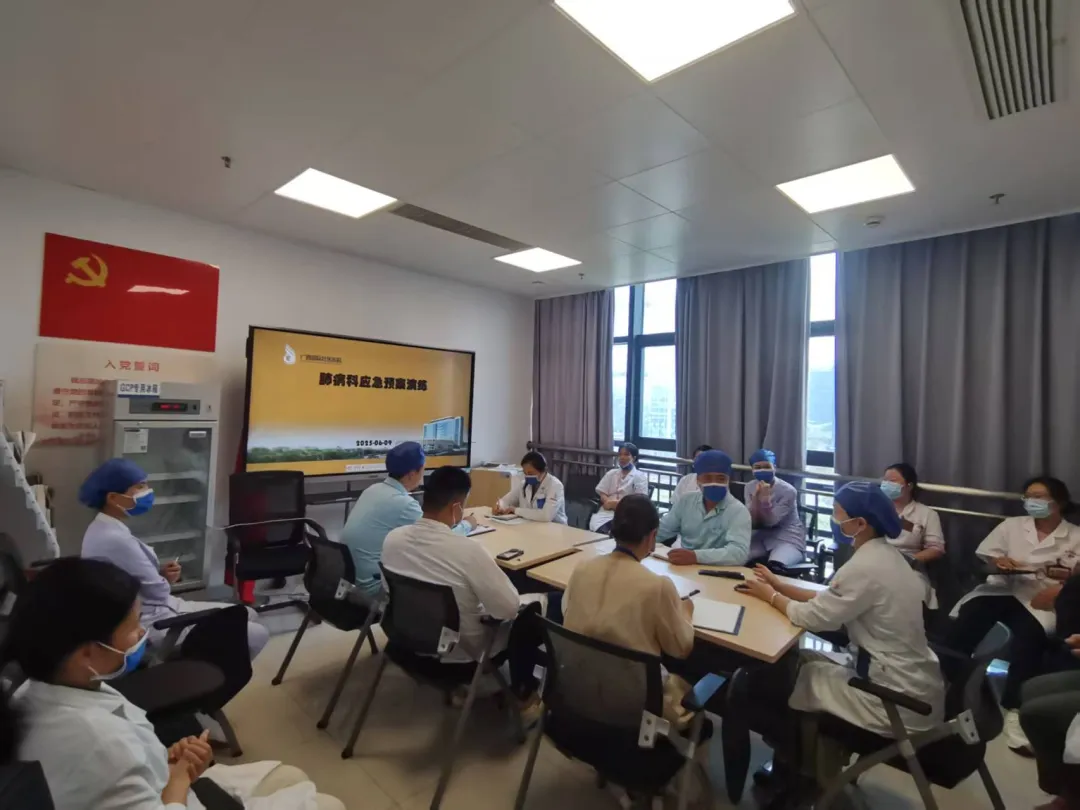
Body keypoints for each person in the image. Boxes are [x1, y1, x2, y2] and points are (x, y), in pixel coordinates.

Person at [0, 557, 344, 810]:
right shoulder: (97, 743)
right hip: (173, 796)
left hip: (159, 782)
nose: (142, 634)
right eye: (133, 628)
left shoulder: (39, 689)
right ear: (87, 653)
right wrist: (178, 780)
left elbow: (118, 775)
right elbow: (114, 763)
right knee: (327, 803)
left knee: (293, 778)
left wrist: (165, 759)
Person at [738, 481, 944, 796]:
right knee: (801, 660)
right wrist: (778, 584)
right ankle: (799, 761)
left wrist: (770, 596)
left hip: (894, 696)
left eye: (838, 514)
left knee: (800, 678)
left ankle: (809, 776)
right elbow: (833, 598)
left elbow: (812, 617)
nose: (834, 520)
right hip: (906, 677)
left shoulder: (865, 566)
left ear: (861, 524)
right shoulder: (887, 556)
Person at [381, 466, 543, 715]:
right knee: (535, 608)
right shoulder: (467, 550)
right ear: (457, 507)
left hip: (405, 641)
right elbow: (509, 609)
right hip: (463, 654)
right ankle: (523, 690)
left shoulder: (393, 538)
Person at [78, 458, 270, 659]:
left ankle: (215, 665)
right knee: (256, 633)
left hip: (153, 609)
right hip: (154, 621)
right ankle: (217, 672)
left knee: (248, 613)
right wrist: (165, 579)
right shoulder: (115, 540)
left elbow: (125, 578)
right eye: (140, 487)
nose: (148, 492)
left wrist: (158, 574)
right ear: (113, 497)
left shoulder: (101, 529)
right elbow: (158, 593)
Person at [948, 475, 1080, 755]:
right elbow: (987, 557)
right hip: (1003, 589)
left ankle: (1014, 709)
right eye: (1028, 497)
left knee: (1029, 638)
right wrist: (999, 561)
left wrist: (1060, 591)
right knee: (969, 618)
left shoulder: (1076, 536)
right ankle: (948, 685)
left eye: (1039, 497)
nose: (1031, 502)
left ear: (1059, 501)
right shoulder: (1012, 526)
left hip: (1039, 598)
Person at [563, 495, 696, 725]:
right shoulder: (657, 586)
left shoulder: (582, 568)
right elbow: (680, 648)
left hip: (577, 689)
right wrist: (686, 613)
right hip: (631, 701)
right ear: (652, 536)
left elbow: (567, 611)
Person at [341, 441, 475, 598]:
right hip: (373, 588)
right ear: (412, 474)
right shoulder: (404, 505)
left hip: (350, 582)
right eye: (422, 469)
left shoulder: (373, 489)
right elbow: (441, 539)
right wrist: (468, 524)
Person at [656, 449, 751, 566]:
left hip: (719, 571)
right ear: (697, 480)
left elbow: (739, 553)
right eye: (707, 478)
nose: (714, 483)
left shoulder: (739, 511)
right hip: (684, 568)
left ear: (728, 480)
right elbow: (662, 530)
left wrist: (696, 556)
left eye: (721, 478)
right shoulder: (686, 501)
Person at [880, 463, 945, 604]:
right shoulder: (877, 508)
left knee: (906, 595)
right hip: (877, 561)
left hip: (909, 566)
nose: (886, 484)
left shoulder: (926, 514)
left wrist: (910, 560)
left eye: (892, 481)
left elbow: (936, 549)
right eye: (885, 481)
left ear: (909, 486)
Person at [744, 448, 807, 568]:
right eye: (757, 467)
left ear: (774, 468)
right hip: (760, 537)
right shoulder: (749, 487)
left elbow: (770, 522)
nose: (762, 470)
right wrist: (756, 499)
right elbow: (752, 522)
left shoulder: (788, 491)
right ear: (752, 470)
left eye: (767, 466)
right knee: (740, 558)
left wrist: (765, 502)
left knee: (776, 566)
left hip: (786, 537)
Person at [493, 450, 567, 524]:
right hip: (531, 525)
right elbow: (505, 500)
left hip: (554, 527)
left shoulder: (555, 485)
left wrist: (516, 510)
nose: (527, 477)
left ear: (543, 471)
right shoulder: (523, 484)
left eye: (530, 473)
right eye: (525, 473)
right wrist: (499, 506)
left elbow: (546, 516)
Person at [590, 442, 649, 532]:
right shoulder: (611, 473)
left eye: (626, 454)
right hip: (607, 511)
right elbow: (603, 492)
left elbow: (639, 501)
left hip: (627, 513)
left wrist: (616, 504)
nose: (622, 457)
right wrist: (607, 502)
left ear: (634, 458)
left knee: (618, 529)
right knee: (595, 525)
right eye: (620, 454)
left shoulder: (639, 477)